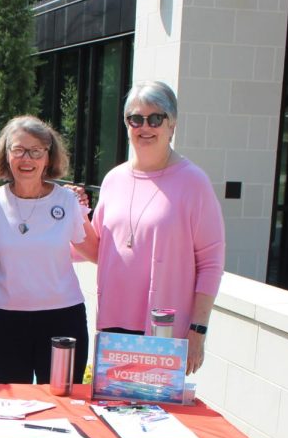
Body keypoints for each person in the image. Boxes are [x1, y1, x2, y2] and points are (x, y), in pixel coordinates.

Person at [92, 80, 225, 373]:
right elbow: (97, 247)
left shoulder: (193, 182)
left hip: (164, 331)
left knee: (157, 415)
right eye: (136, 119)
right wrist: (67, 214)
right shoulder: (114, 179)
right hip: (113, 328)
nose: (145, 127)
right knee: (111, 412)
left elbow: (212, 263)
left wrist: (198, 330)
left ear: (172, 124)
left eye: (155, 118)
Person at [0, 116, 97, 384]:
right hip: (5, 321)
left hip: (63, 321)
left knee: (63, 406)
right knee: (9, 410)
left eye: (36, 151)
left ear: (48, 156)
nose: (26, 159)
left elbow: (97, 253)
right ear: (6, 155)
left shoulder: (68, 201)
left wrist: (84, 212)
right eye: (18, 150)